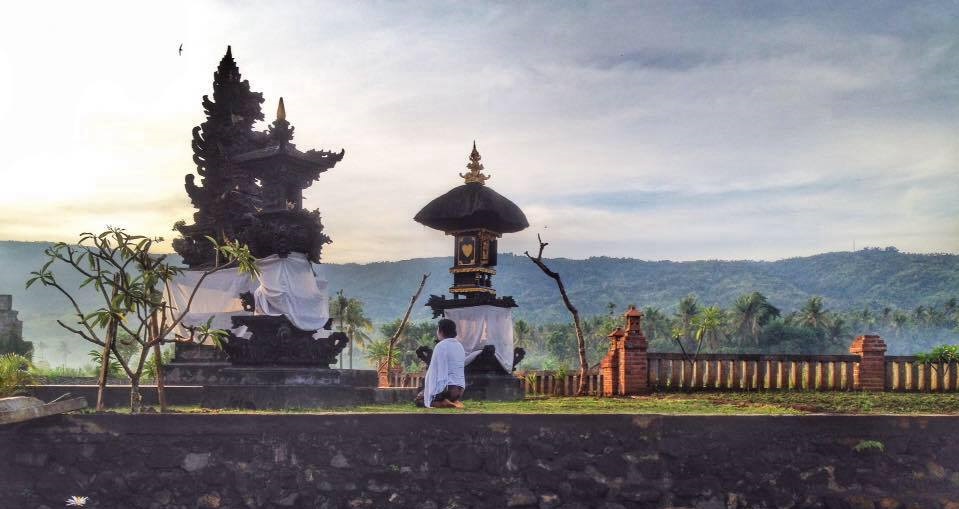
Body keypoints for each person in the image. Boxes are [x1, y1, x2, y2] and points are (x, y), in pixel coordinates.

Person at [415, 318, 466, 408]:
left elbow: (436, 372)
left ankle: (444, 403)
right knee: (426, 396)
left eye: (438, 329)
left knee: (420, 401)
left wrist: (430, 392)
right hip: (460, 390)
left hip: (448, 389)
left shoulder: (441, 346)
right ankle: (455, 401)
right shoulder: (460, 346)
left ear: (441, 331)